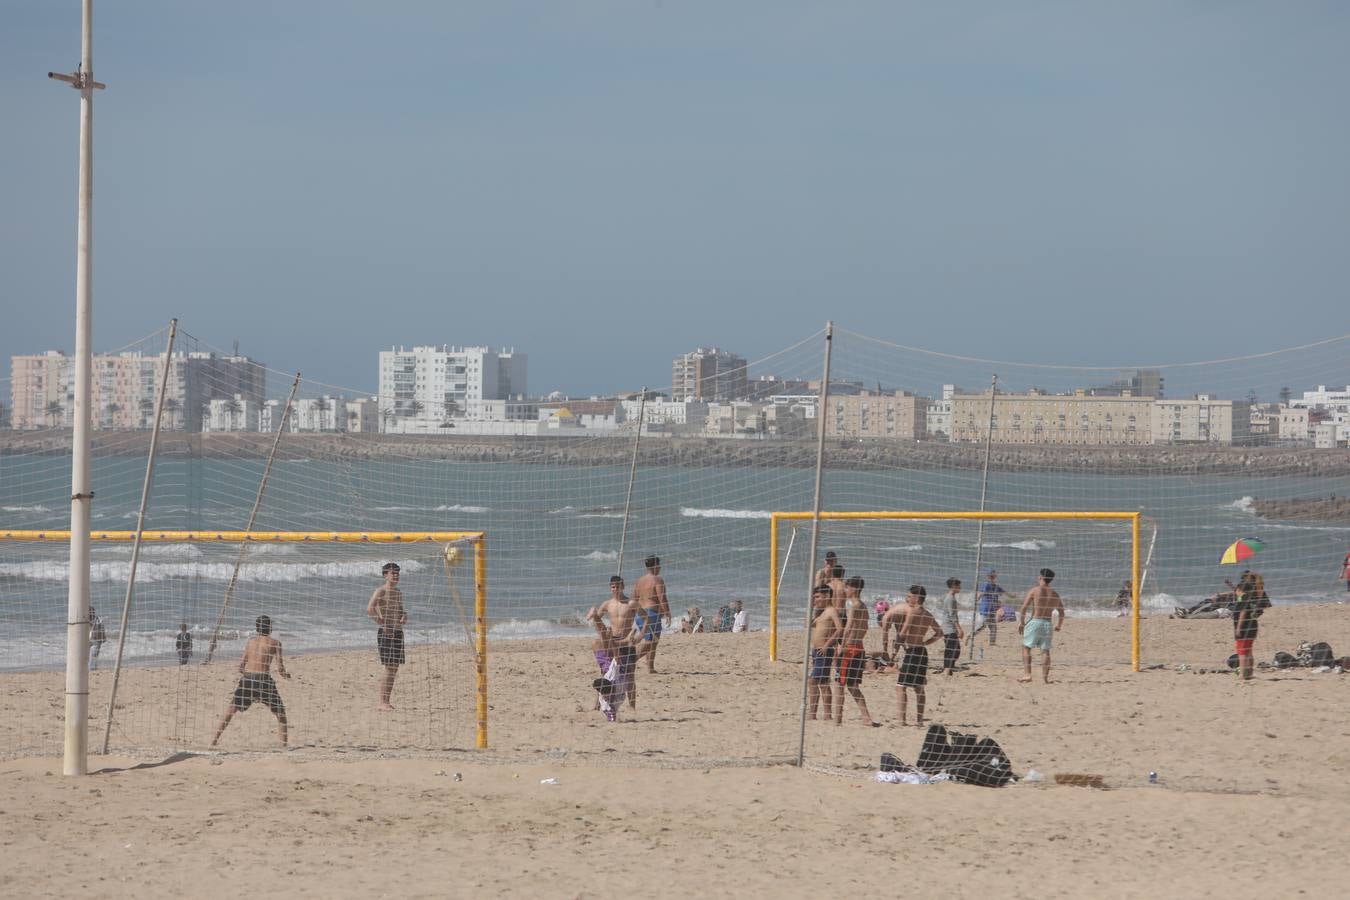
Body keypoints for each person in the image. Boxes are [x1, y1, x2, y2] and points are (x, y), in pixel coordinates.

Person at [211, 615, 290, 747]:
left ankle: (214, 740)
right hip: (264, 679)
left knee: (231, 710)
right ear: (270, 628)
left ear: (257, 628)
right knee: (281, 713)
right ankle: (284, 746)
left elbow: (240, 666)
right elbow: (280, 668)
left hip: (248, 678)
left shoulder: (250, 643)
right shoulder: (275, 643)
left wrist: (248, 678)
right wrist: (286, 676)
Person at [881, 586, 943, 726]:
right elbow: (939, 633)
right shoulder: (928, 614)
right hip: (922, 652)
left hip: (912, 652)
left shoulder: (912, 612)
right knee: (919, 688)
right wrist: (926, 642)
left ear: (916, 598)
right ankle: (919, 721)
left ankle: (901, 720)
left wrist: (894, 651)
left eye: (909, 596)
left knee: (901, 687)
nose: (906, 599)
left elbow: (902, 634)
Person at [835, 576, 877, 726]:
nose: (844, 590)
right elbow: (865, 627)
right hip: (859, 648)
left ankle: (837, 719)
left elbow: (848, 627)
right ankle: (866, 717)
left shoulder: (854, 606)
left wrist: (842, 646)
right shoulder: (864, 606)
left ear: (854, 588)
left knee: (840, 684)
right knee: (852, 686)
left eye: (846, 587)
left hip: (850, 649)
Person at [367, 561, 407, 710]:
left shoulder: (398, 592)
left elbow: (401, 610)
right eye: (393, 573)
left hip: (397, 632)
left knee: (394, 668)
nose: (396, 575)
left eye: (397, 573)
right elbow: (370, 609)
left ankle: (387, 701)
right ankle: (382, 702)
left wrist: (404, 616)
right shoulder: (381, 591)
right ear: (385, 575)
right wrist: (382, 623)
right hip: (387, 632)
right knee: (389, 668)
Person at [1018, 568, 1066, 684]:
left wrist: (1022, 622)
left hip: (1035, 621)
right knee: (1045, 651)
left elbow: (1024, 607)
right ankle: (1045, 678)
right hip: (1047, 624)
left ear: (1040, 577)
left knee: (1026, 648)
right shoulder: (1054, 593)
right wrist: (1059, 625)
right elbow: (1061, 612)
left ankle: (1027, 674)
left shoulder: (1035, 590)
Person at [632, 555, 671, 674]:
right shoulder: (657, 579)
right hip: (651, 614)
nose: (660, 567)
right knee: (650, 642)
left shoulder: (639, 581)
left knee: (652, 641)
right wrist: (668, 612)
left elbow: (634, 599)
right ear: (655, 566)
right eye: (659, 565)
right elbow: (661, 598)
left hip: (640, 614)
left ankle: (650, 667)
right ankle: (630, 660)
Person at [807, 585, 841, 721]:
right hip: (816, 651)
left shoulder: (832, 611)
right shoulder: (821, 612)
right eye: (814, 597)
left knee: (813, 681)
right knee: (822, 682)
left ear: (827, 596)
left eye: (818, 597)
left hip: (824, 651)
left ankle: (816, 713)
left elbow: (839, 629)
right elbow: (809, 624)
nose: (816, 599)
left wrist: (827, 645)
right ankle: (823, 714)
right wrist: (812, 607)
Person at [969, 570, 1006, 647]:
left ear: (995, 577)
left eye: (993, 576)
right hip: (985, 609)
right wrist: (977, 599)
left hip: (992, 610)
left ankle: (992, 643)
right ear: (988, 577)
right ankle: (970, 636)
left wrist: (1013, 596)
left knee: (993, 627)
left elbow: (1004, 592)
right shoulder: (986, 585)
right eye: (990, 576)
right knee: (982, 626)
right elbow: (981, 593)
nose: (992, 578)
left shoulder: (996, 587)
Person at [939, 577, 965, 675]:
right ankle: (947, 668)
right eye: (958, 586)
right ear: (953, 586)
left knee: (956, 649)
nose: (960, 587)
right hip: (949, 627)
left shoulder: (951, 597)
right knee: (951, 649)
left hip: (949, 627)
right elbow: (952, 615)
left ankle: (949, 667)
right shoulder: (950, 598)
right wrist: (959, 629)